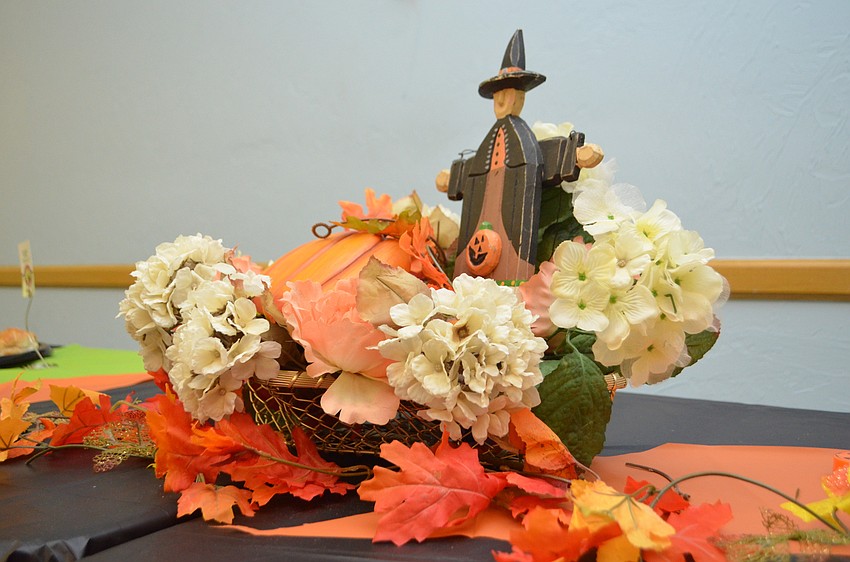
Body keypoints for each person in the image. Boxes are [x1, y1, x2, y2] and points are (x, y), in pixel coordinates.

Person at [439, 30, 603, 284]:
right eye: (497, 95)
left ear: (519, 97)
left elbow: (546, 153)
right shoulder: (489, 141)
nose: (501, 100)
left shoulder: (524, 141)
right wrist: (452, 177)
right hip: (481, 210)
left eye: (507, 93)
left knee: (508, 260)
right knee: (471, 260)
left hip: (511, 213)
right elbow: (472, 167)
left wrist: (575, 154)